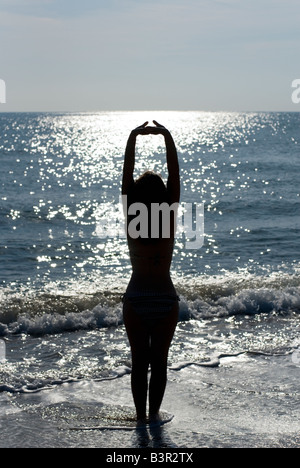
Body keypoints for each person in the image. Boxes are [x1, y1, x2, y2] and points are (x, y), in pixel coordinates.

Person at [122, 120, 180, 425]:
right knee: (159, 364)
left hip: (136, 298)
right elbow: (174, 175)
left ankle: (140, 417)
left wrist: (134, 137)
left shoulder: (132, 215)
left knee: (138, 363)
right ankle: (155, 416)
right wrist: (166, 136)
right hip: (165, 298)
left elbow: (126, 176)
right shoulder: (168, 216)